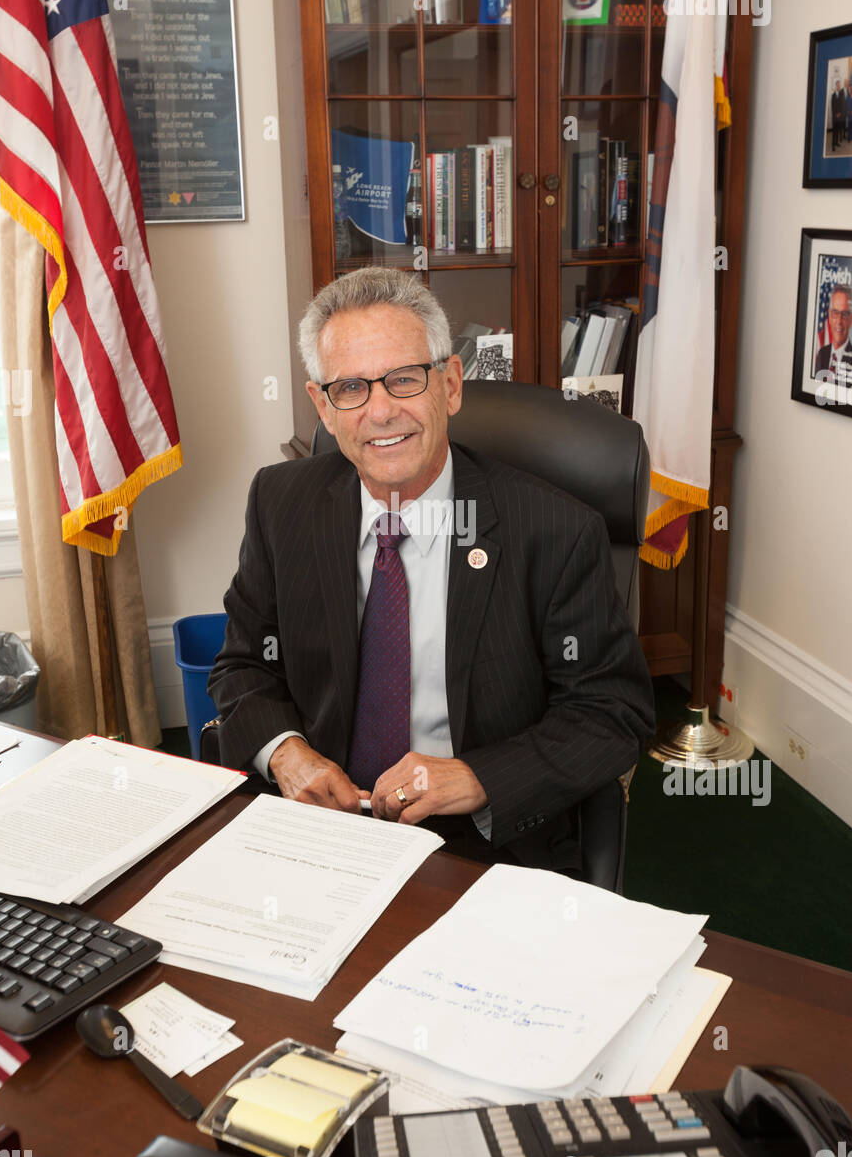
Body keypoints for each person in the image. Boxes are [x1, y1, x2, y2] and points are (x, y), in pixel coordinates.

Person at [208, 268, 655, 878]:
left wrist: (477, 777)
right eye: (351, 389)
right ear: (323, 406)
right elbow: (243, 664)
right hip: (319, 824)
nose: (381, 411)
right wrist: (287, 755)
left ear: (449, 385)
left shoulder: (553, 530)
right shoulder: (280, 502)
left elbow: (611, 713)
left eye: (404, 379)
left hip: (479, 842)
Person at [814, 284, 852, 376]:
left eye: (844, 314)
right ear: (829, 315)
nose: (839, 321)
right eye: (835, 313)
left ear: (851, 319)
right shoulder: (822, 353)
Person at [831, 79, 846, 151]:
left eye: (839, 85)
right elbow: (832, 106)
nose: (839, 86)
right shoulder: (833, 95)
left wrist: (840, 113)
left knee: (837, 130)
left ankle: (836, 142)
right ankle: (833, 145)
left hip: (839, 116)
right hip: (834, 117)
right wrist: (836, 114)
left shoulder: (840, 94)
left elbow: (841, 105)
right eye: (837, 85)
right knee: (834, 131)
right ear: (835, 86)